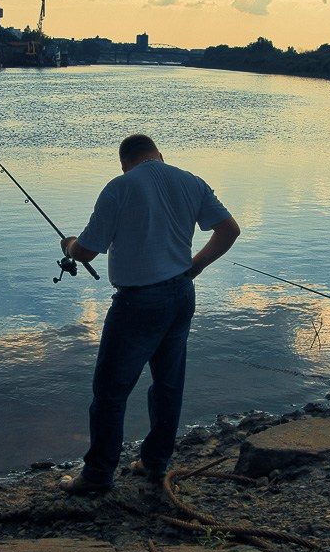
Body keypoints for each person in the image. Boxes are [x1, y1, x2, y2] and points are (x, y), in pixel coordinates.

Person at [57, 134, 240, 495]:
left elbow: (87, 252)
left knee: (110, 392)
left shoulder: (120, 187)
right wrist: (196, 266)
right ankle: (155, 463)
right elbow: (229, 230)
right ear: (159, 154)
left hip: (137, 304)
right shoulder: (191, 180)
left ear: (124, 163)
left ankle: (96, 476)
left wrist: (69, 245)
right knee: (168, 385)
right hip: (181, 295)